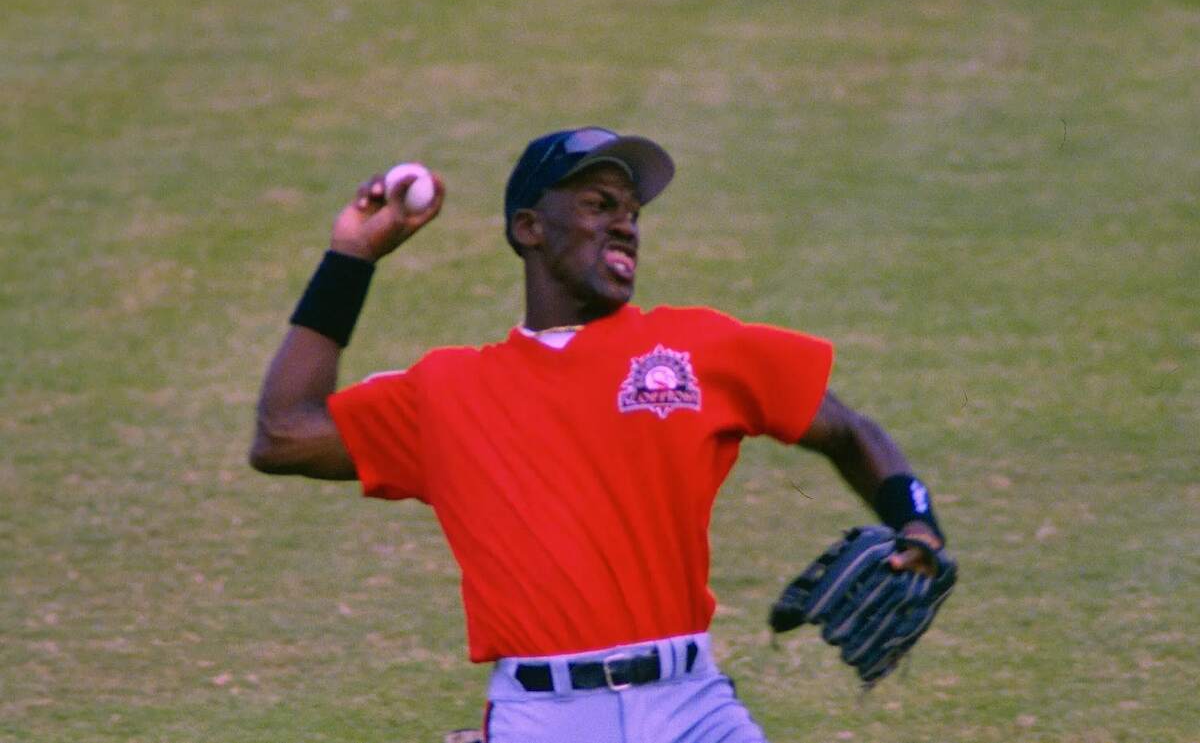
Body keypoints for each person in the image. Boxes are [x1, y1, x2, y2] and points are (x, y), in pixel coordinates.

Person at [249, 127, 947, 743]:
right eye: (597, 205)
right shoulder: (449, 392)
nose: (624, 225)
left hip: (693, 707)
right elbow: (284, 433)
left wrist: (918, 525)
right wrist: (352, 256)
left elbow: (849, 429)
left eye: (631, 211)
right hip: (546, 717)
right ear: (530, 227)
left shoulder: (696, 349)